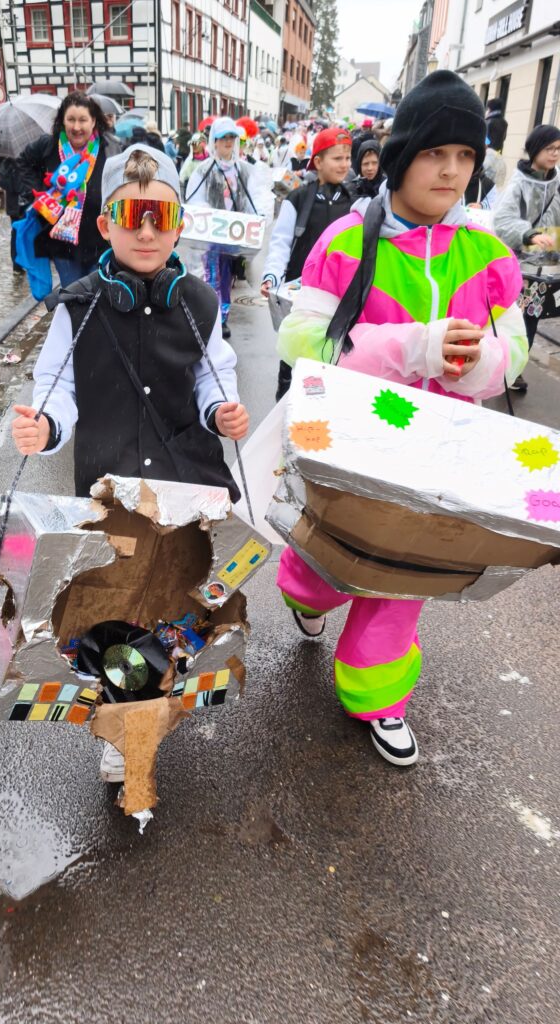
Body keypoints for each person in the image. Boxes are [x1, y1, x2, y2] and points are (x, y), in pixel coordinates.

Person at [275, 71, 528, 768]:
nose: (451, 171)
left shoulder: (491, 258)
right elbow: (299, 343)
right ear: (403, 153)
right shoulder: (346, 243)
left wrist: (474, 363)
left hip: (440, 449)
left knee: (406, 570)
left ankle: (379, 696)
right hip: (357, 443)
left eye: (467, 157)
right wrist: (406, 347)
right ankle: (306, 591)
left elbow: (515, 356)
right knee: (332, 559)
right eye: (435, 153)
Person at [10, 144, 249, 784]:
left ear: (178, 225)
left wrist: (220, 411)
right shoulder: (78, 305)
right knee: (114, 611)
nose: (147, 231)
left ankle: (161, 699)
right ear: (105, 223)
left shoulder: (198, 301)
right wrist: (47, 425)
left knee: (174, 603)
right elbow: (55, 385)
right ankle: (124, 725)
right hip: (113, 491)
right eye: (131, 215)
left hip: (184, 488)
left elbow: (212, 374)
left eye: (160, 217)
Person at [261, 126, 355, 399]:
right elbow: (280, 244)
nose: (344, 164)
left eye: (348, 158)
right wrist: (271, 278)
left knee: (332, 373)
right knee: (292, 370)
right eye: (337, 158)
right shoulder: (298, 198)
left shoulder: (357, 203)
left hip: (340, 304)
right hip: (300, 301)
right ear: (318, 161)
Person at [17, 92, 122, 288]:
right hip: (62, 242)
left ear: (93, 122)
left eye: (83, 120)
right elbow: (22, 163)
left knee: (97, 295)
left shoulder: (110, 148)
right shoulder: (48, 145)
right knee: (73, 295)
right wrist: (38, 192)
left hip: (100, 239)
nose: (76, 127)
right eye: (71, 119)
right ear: (62, 120)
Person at [494, 124, 560, 393]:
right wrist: (529, 234)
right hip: (521, 270)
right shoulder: (519, 185)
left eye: (558, 149)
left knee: (531, 320)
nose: (555, 154)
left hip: (547, 269)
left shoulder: (558, 183)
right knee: (514, 320)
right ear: (535, 150)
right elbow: (502, 221)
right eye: (550, 149)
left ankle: (515, 369)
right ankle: (504, 368)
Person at [186, 117, 263, 339]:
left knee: (227, 276)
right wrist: (209, 216)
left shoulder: (245, 171)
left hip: (235, 234)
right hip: (212, 234)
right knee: (211, 276)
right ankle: (212, 317)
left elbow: (253, 201)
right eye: (223, 138)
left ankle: (223, 316)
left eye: (231, 137)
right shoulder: (204, 170)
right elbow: (195, 199)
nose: (228, 142)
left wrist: (254, 220)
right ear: (215, 141)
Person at [0, 156, 25, 274]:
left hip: (12, 203)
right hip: (21, 202)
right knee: (22, 233)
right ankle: (20, 263)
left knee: (16, 232)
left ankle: (17, 264)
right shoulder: (21, 160)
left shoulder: (3, 159)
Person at [178, 132, 208, 197]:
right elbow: (182, 178)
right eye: (192, 144)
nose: (194, 146)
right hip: (193, 194)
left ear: (203, 145)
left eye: (196, 144)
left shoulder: (209, 159)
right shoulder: (190, 161)